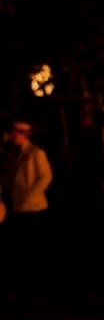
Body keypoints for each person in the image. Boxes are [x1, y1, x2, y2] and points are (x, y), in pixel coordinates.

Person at [0, 119, 54, 303]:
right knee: (22, 249)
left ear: (24, 135)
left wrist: (32, 194)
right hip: (19, 207)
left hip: (34, 208)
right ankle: (25, 289)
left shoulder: (36, 153)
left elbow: (45, 176)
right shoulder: (12, 155)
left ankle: (37, 289)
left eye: (16, 133)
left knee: (35, 249)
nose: (12, 137)